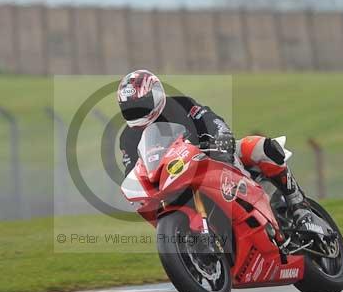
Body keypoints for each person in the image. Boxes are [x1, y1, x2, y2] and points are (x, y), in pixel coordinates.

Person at [117, 69, 316, 230]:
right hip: (173, 181)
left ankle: (298, 204)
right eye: (129, 109)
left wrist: (221, 138)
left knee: (259, 147)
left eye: (141, 106)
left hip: (212, 156)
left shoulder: (182, 105)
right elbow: (132, 170)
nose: (136, 113)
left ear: (156, 95)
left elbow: (211, 120)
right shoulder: (127, 137)